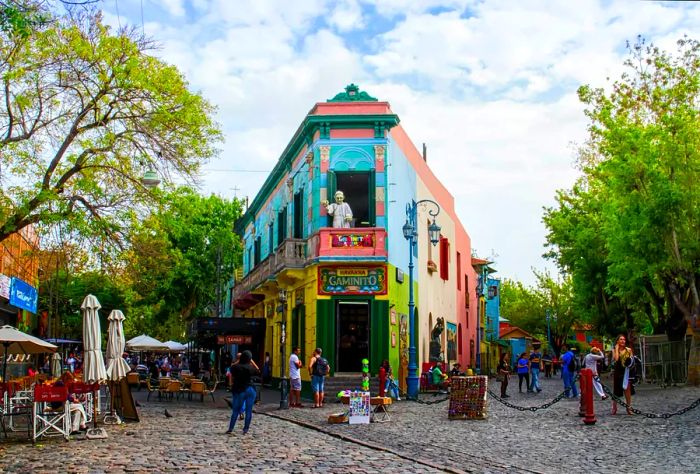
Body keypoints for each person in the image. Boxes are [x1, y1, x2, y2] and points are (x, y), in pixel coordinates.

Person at [226, 350, 259, 435]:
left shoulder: (236, 367)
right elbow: (258, 370)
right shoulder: (251, 367)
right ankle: (245, 429)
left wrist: (238, 360)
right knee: (249, 410)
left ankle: (231, 428)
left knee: (236, 410)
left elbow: (231, 367)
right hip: (250, 390)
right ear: (249, 358)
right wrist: (251, 361)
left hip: (239, 389)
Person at [611, 335, 634, 415]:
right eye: (621, 339)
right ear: (617, 341)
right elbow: (616, 359)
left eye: (624, 339)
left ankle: (628, 407)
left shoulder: (629, 350)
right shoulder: (614, 350)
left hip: (626, 371)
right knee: (616, 390)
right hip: (618, 371)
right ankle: (614, 407)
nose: (623, 341)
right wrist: (617, 349)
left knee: (627, 389)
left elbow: (632, 360)